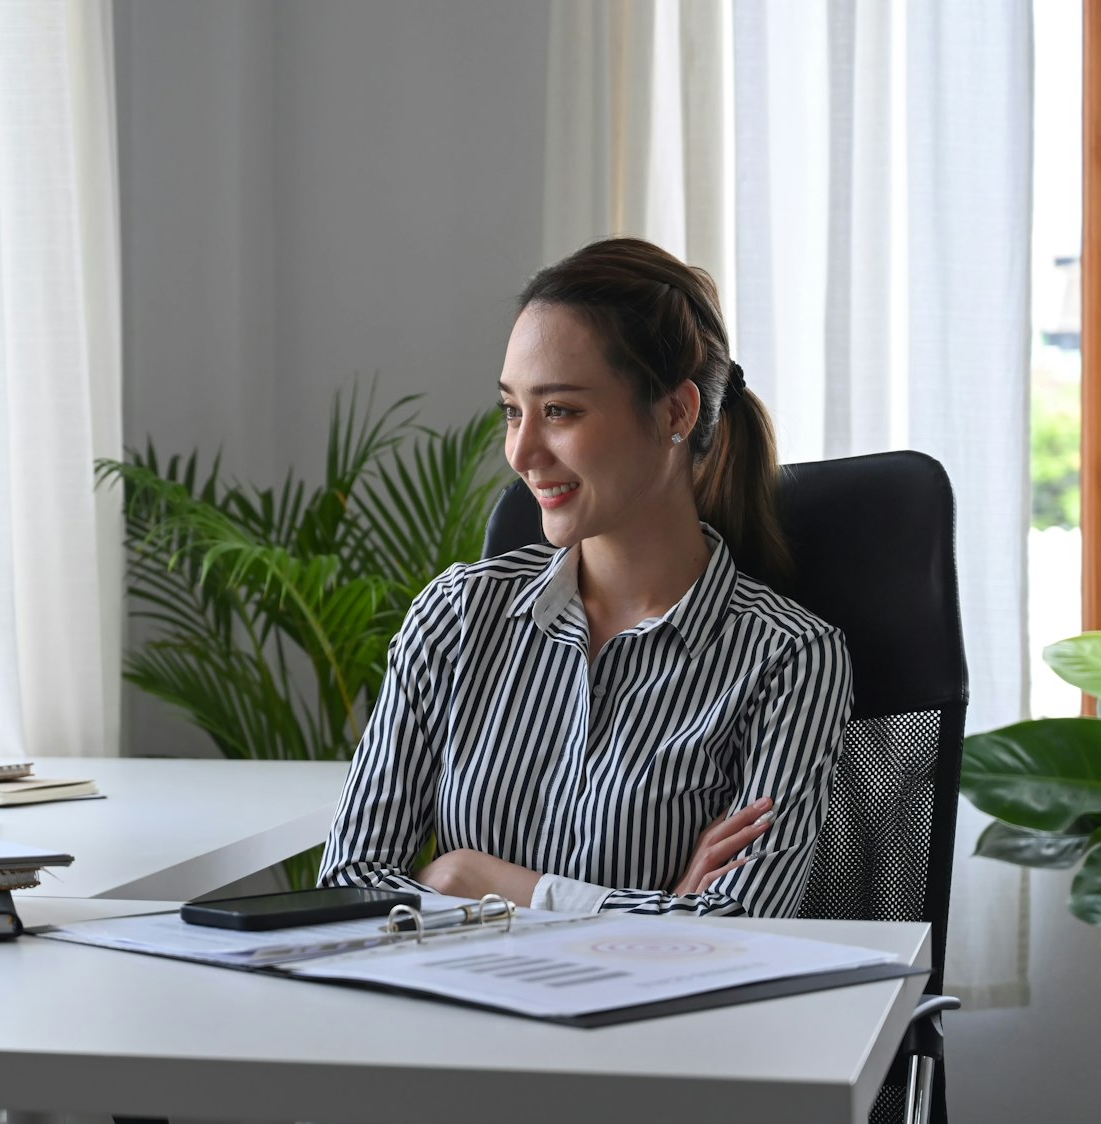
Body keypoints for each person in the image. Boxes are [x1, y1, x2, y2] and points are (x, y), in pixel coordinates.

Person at [318, 237, 852, 917]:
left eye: (560, 411)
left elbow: (733, 934)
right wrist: (651, 909)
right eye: (513, 410)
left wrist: (462, 876)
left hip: (659, 1028)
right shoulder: (455, 618)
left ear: (676, 414)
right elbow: (351, 887)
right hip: (455, 1017)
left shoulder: (787, 659)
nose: (521, 451)